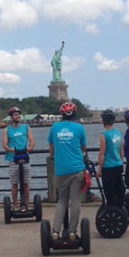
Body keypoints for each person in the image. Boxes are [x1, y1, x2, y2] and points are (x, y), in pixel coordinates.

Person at [48, 101, 86, 241]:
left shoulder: (54, 127)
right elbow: (83, 147)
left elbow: (51, 147)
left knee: (62, 200)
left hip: (61, 169)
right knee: (75, 201)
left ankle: (55, 231)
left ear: (61, 114)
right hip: (76, 169)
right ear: (74, 114)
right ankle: (72, 232)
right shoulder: (79, 128)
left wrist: (53, 156)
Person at [2, 106, 35, 211]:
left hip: (24, 158)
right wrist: (13, 149)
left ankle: (26, 204)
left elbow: (31, 141)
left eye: (18, 114)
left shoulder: (26, 127)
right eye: (16, 114)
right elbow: (5, 145)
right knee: (14, 183)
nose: (18, 116)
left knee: (25, 183)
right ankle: (15, 204)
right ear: (11, 117)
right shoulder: (6, 130)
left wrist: (29, 147)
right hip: (13, 159)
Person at [96, 109, 125, 207]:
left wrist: (99, 169)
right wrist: (121, 161)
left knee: (109, 191)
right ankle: (120, 208)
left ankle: (112, 210)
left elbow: (102, 153)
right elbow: (121, 149)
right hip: (118, 164)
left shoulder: (103, 135)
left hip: (108, 167)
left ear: (103, 121)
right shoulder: (118, 133)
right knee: (119, 189)